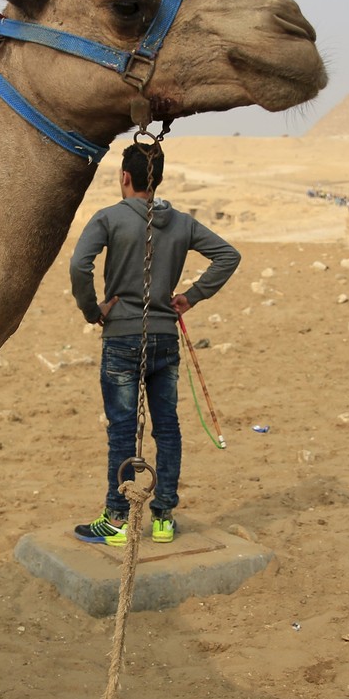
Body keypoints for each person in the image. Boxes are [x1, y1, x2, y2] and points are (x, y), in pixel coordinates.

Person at [69, 142, 240, 546]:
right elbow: (228, 256)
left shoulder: (109, 217)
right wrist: (192, 296)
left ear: (124, 178)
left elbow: (79, 265)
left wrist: (92, 309)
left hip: (122, 338)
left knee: (123, 431)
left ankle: (117, 518)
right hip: (164, 338)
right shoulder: (181, 222)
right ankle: (163, 517)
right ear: (157, 179)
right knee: (168, 426)